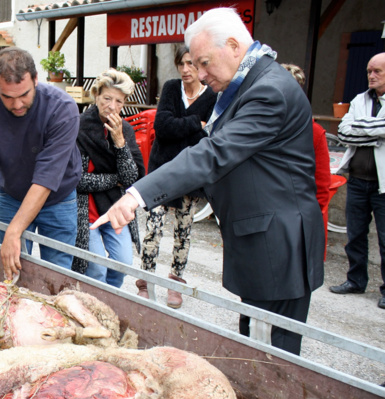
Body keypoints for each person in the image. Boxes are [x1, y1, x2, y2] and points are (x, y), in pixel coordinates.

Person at [92, 7, 325, 355]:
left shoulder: (268, 91)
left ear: (233, 46)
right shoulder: (248, 84)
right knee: (255, 343)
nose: (199, 74)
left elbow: (213, 154)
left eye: (204, 62)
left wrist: (137, 195)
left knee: (269, 356)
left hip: (276, 247)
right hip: (265, 241)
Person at [0, 47, 81, 281]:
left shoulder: (62, 109)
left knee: (56, 277)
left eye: (24, 94)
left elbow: (47, 177)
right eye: (7, 97)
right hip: (12, 195)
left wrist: (14, 231)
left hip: (57, 198)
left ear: (36, 79)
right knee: (12, 275)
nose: (17, 104)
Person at [135, 45, 216, 308]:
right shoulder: (172, 88)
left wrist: (182, 128)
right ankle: (146, 280)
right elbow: (162, 127)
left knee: (183, 230)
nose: (185, 69)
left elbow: (207, 136)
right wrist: (194, 124)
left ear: (201, 66)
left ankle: (175, 282)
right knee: (153, 228)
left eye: (191, 63)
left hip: (191, 174)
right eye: (181, 63)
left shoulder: (212, 96)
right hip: (161, 170)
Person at [71, 69, 145, 288]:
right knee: (95, 269)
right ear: (96, 96)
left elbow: (132, 178)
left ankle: (109, 300)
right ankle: (96, 303)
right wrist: (114, 180)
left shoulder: (125, 130)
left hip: (116, 208)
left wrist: (119, 142)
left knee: (122, 264)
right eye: (107, 98)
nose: (112, 106)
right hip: (86, 211)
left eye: (119, 101)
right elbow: (78, 180)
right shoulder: (78, 127)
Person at [329, 52, 385, 310]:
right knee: (355, 235)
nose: (371, 76)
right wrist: (377, 131)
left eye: (377, 71)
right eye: (369, 71)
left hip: (382, 185)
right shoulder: (359, 99)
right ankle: (355, 280)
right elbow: (344, 132)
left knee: (384, 239)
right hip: (358, 180)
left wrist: (360, 128)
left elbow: (354, 129)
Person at [281, 63, 331, 257]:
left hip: (301, 222)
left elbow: (322, 186)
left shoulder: (314, 132)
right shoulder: (261, 127)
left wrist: (305, 224)